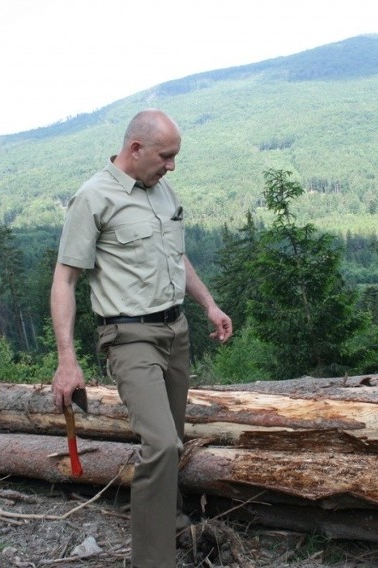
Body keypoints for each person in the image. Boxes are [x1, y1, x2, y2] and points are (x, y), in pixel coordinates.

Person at [50, 108, 232, 568]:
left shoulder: (160, 189)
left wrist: (208, 304)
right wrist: (67, 360)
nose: (172, 166)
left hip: (176, 331)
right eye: (166, 156)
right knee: (162, 444)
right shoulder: (92, 199)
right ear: (136, 149)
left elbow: (177, 256)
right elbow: (65, 280)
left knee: (174, 436)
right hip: (129, 336)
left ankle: (170, 523)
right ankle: (153, 561)